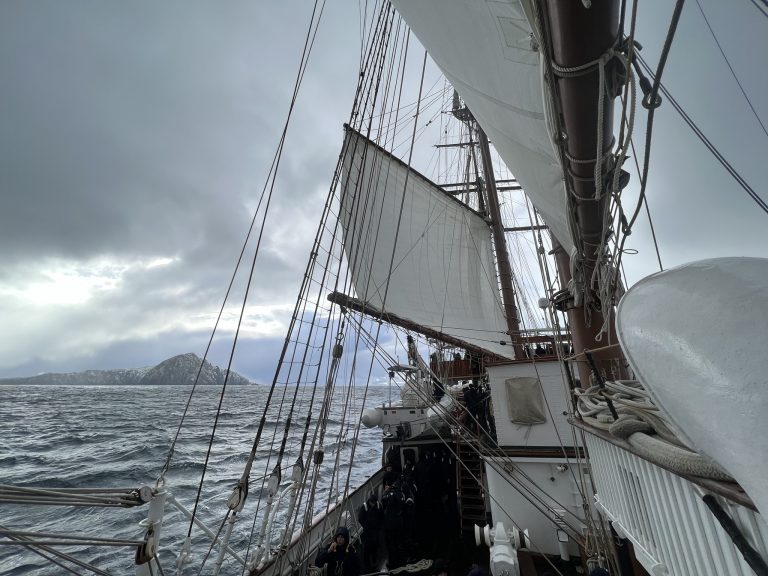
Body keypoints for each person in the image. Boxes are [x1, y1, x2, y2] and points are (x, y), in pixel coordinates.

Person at [357, 494, 384, 573]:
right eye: (372, 502)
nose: (373, 504)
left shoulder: (378, 506)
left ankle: (375, 561)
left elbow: (382, 516)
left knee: (375, 546)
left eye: (374, 502)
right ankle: (366, 565)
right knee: (366, 548)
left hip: (376, 530)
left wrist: (379, 526)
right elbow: (360, 518)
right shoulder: (364, 507)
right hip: (368, 531)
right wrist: (366, 526)